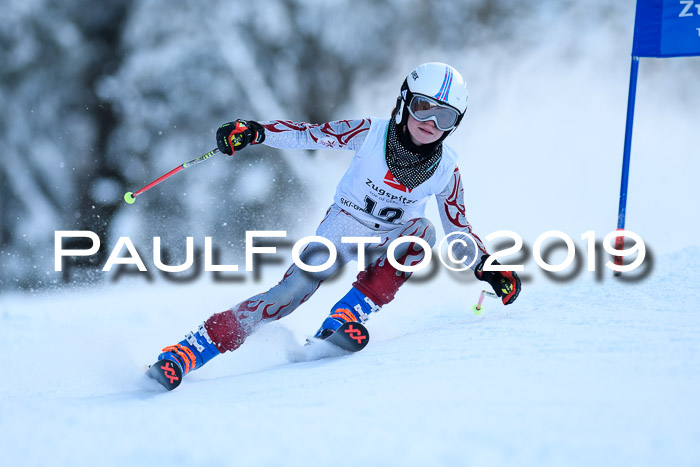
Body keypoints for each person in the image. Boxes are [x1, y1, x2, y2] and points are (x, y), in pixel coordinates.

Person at [154, 62, 521, 380]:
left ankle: (345, 317)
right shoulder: (370, 133)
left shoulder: (446, 169)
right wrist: (256, 130)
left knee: (423, 232)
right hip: (343, 228)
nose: (430, 122)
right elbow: (307, 134)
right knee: (285, 297)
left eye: (445, 117)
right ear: (404, 102)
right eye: (423, 108)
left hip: (393, 238)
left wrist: (486, 266)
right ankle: (188, 352)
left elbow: (457, 229)